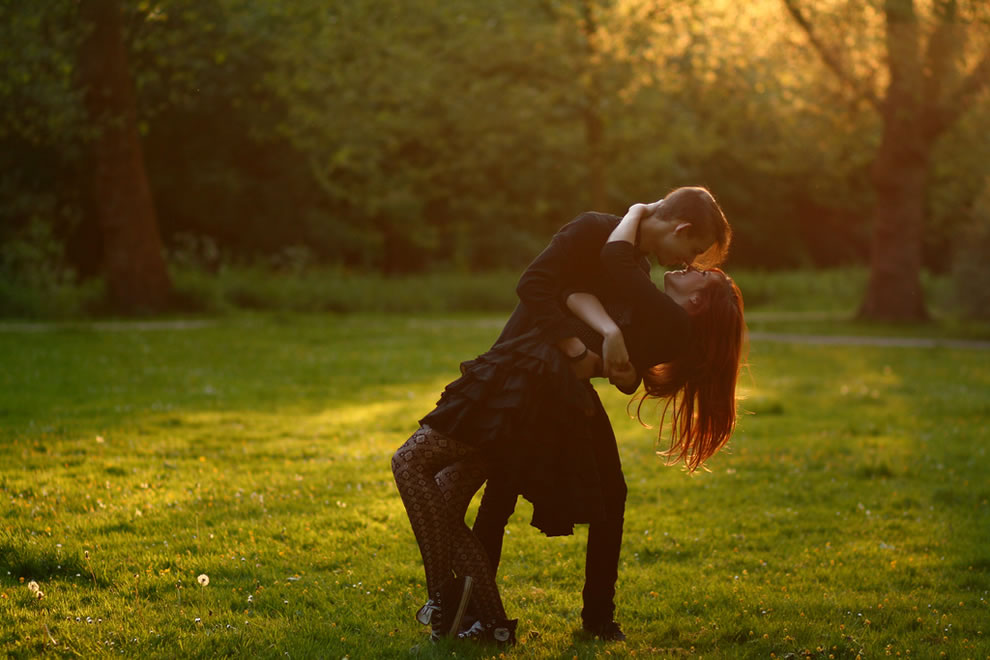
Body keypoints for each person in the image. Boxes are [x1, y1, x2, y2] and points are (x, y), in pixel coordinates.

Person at [391, 188, 745, 645]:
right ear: (680, 228)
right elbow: (540, 288)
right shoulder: (594, 230)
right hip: (511, 371)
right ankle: (465, 609)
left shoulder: (636, 270)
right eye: (695, 252)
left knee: (451, 484)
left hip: (538, 385)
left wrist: (605, 350)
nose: (689, 264)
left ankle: (469, 609)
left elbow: (613, 341)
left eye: (697, 262)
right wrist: (591, 341)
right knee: (451, 494)